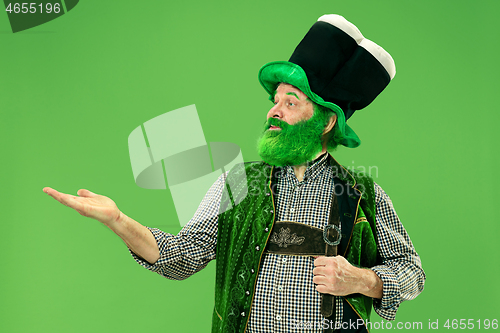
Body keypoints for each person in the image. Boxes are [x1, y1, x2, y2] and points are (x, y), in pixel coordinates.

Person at [43, 14, 425, 333]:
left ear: (326, 122)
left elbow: (411, 272)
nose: (273, 112)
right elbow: (182, 255)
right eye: (275, 101)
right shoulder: (238, 181)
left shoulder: (362, 193)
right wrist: (117, 220)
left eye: (290, 103)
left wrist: (362, 280)